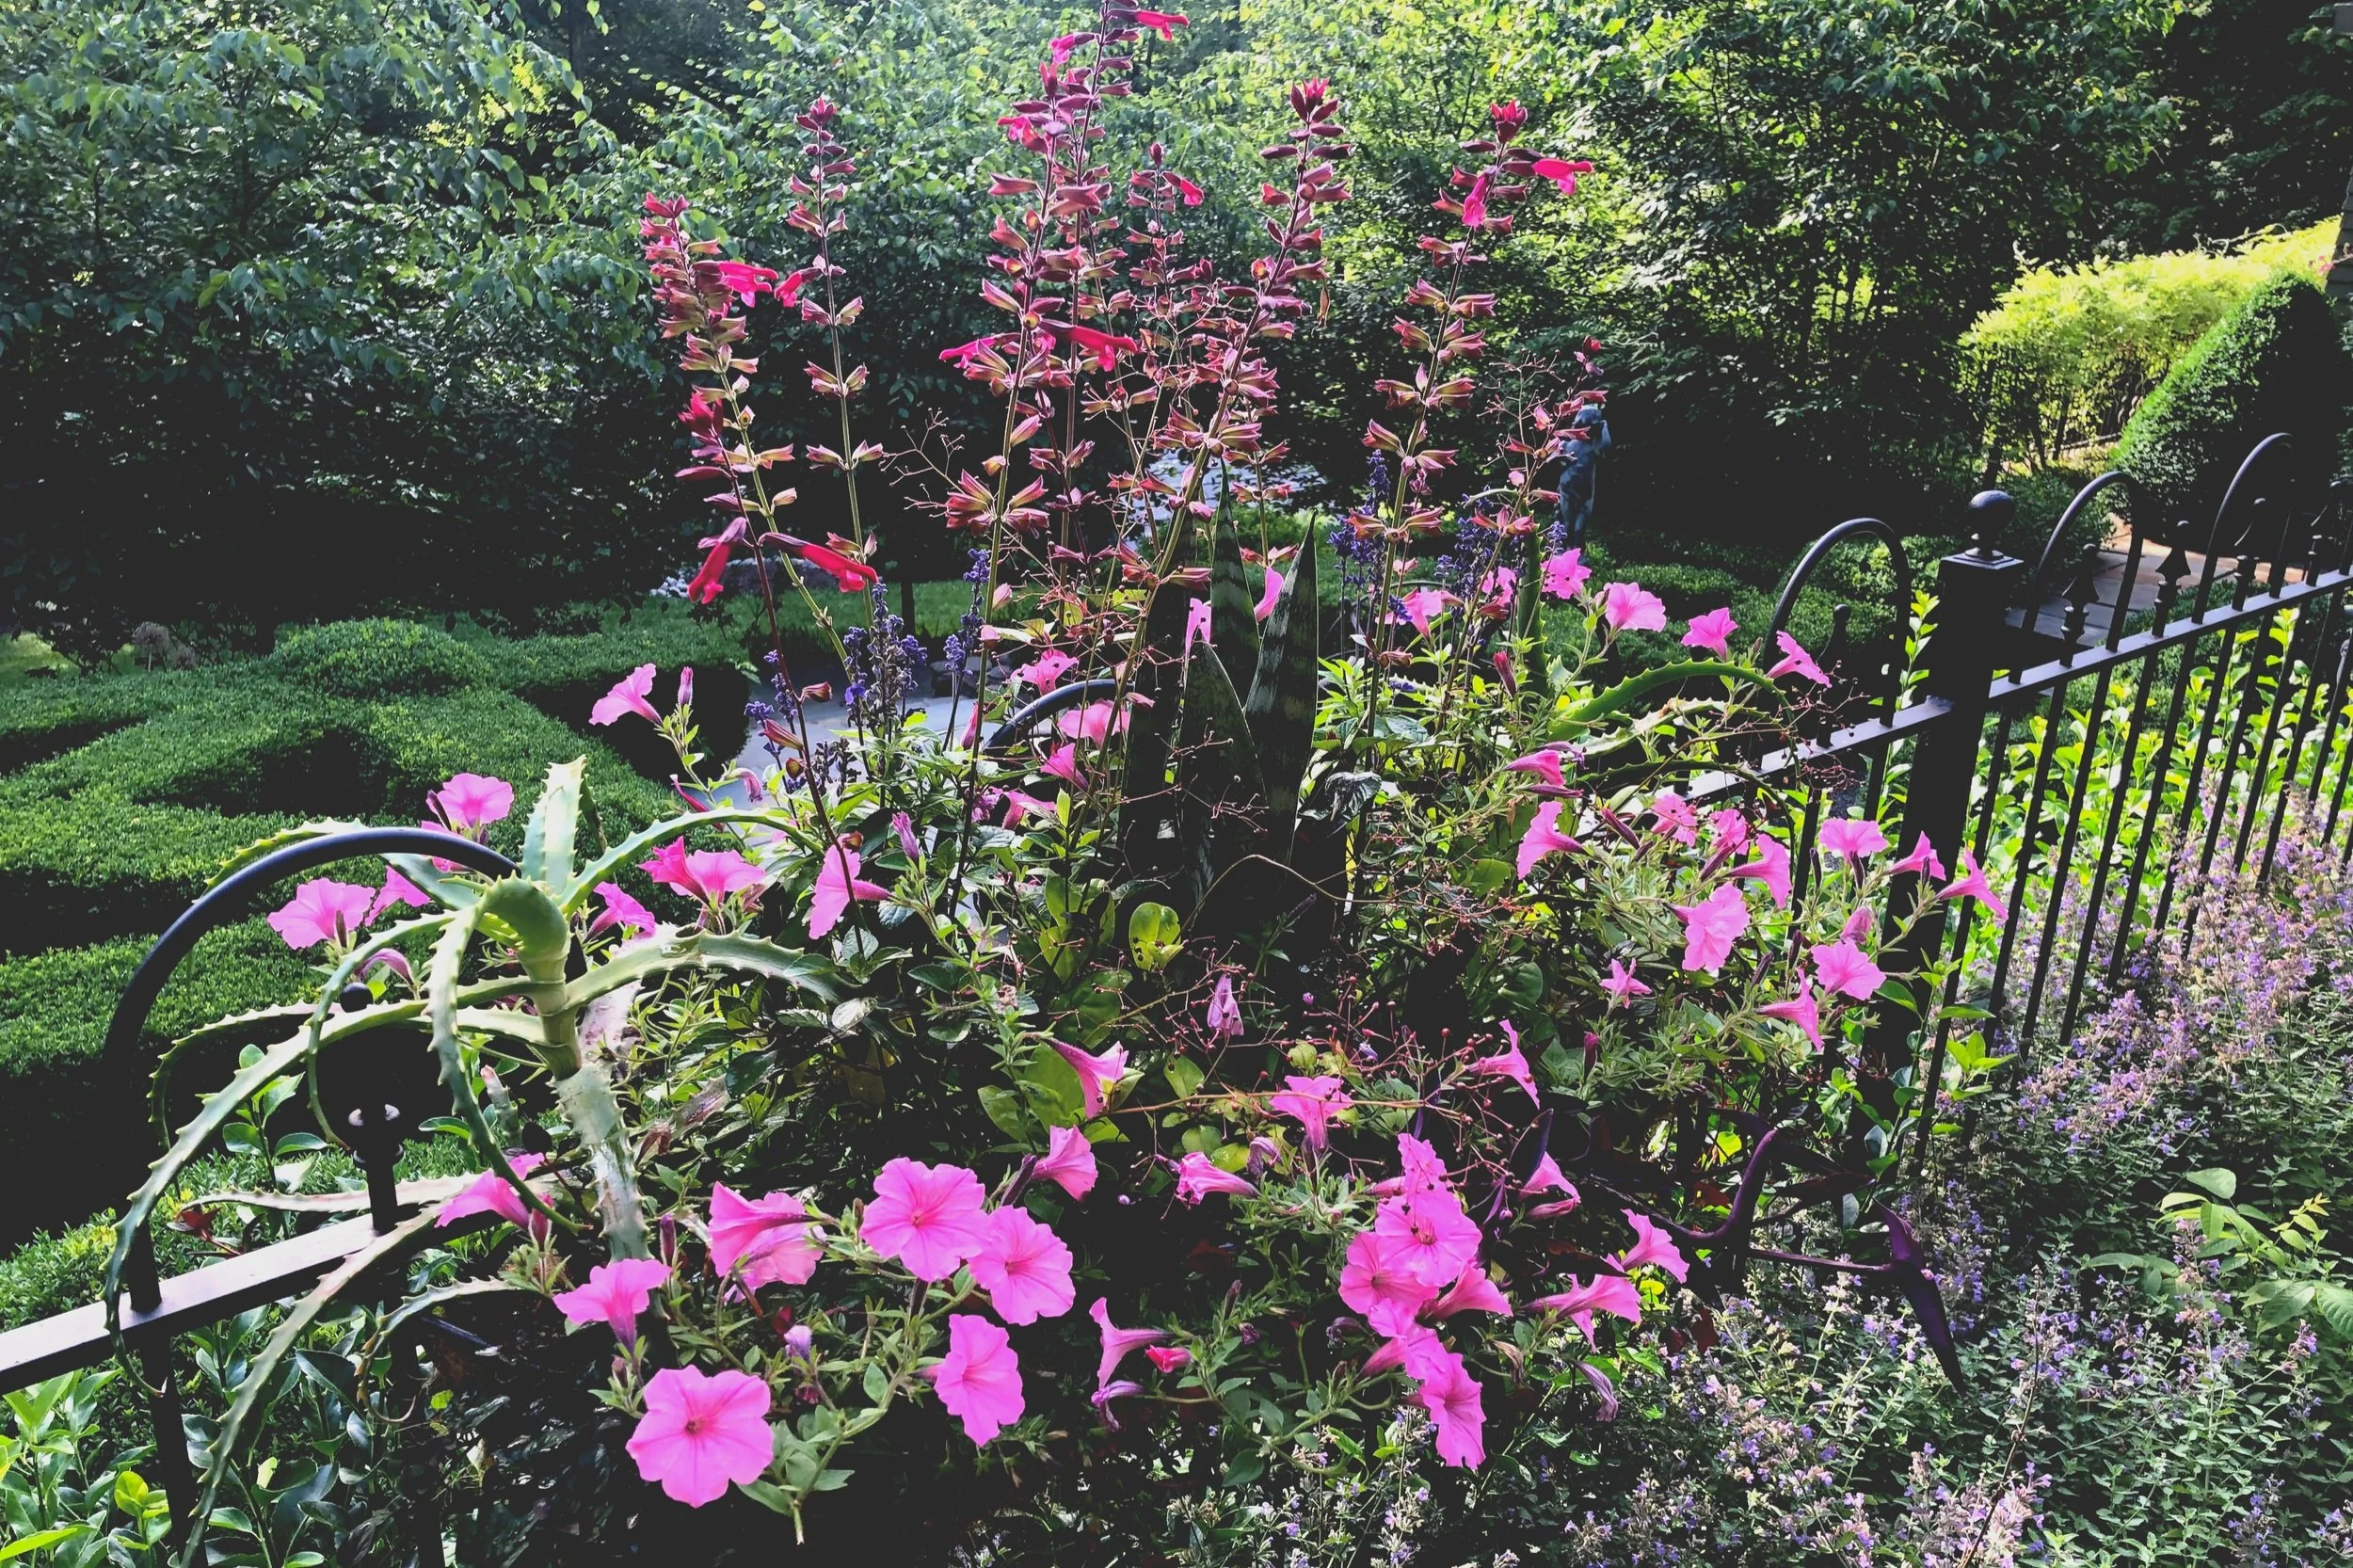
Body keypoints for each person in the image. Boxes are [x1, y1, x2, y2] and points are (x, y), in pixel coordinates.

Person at [1556, 400, 1610, 550]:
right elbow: (1549, 460)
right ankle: (1564, 554)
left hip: (1586, 494)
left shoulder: (1594, 445)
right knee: (1567, 525)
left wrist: (1603, 425)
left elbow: (1606, 446)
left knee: (1579, 529)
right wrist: (1560, 456)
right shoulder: (1567, 443)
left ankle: (1579, 556)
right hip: (1568, 491)